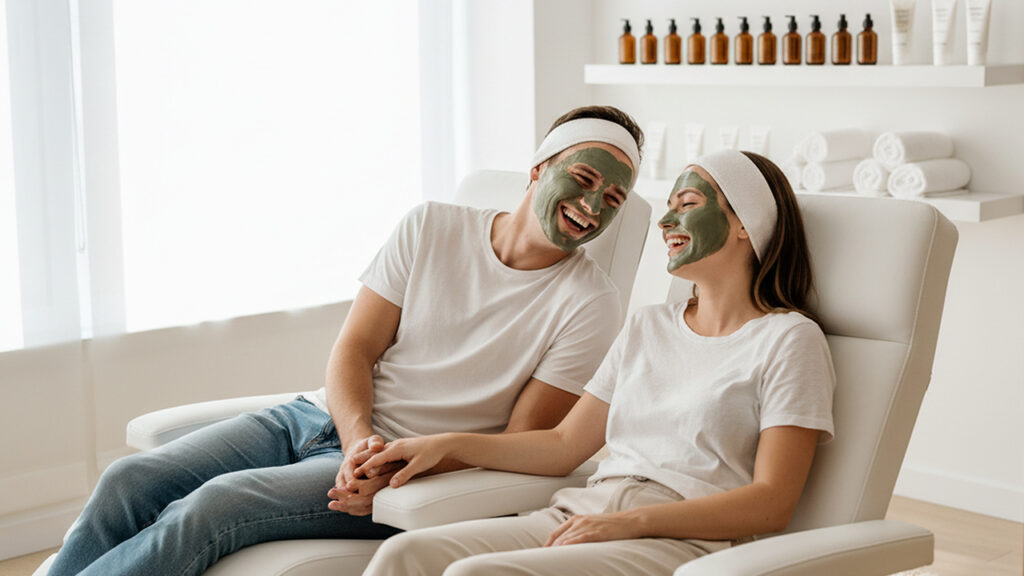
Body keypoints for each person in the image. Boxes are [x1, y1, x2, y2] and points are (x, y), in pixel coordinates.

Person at [46, 105, 644, 576]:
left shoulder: (591, 302)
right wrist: (357, 436)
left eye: (613, 199)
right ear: (538, 169)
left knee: (210, 507)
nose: (592, 206)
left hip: (404, 467)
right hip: (312, 419)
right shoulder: (431, 225)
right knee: (127, 482)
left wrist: (387, 462)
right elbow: (355, 349)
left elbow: (520, 441)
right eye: (584, 178)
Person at [357, 150, 836, 576]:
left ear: (745, 223)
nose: (666, 221)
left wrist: (631, 522)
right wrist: (446, 444)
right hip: (582, 511)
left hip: (681, 540)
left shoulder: (789, 340)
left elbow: (773, 502)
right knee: (405, 554)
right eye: (669, 206)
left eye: (687, 204)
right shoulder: (649, 325)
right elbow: (564, 444)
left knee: (476, 574)